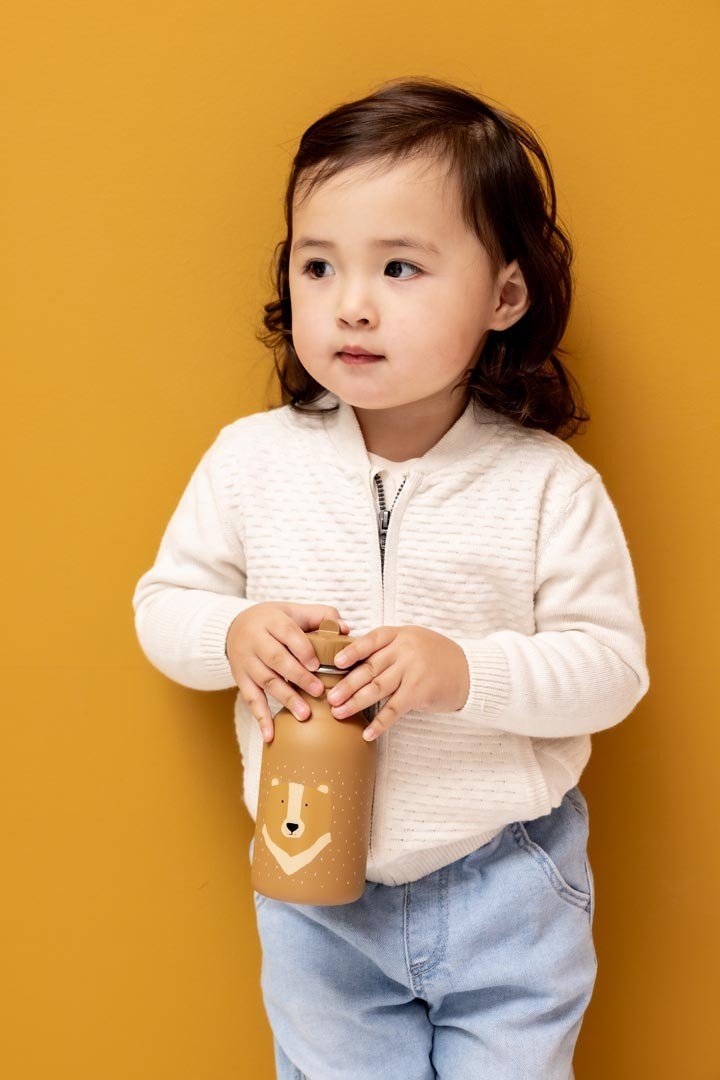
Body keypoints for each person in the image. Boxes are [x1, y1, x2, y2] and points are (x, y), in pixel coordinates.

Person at [132, 75, 650, 1079]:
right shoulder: (251, 460)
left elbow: (610, 669)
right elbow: (164, 607)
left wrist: (462, 672)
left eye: (401, 267)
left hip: (508, 880)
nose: (352, 305)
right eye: (319, 266)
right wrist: (234, 633)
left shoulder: (547, 485)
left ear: (505, 294)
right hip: (314, 894)